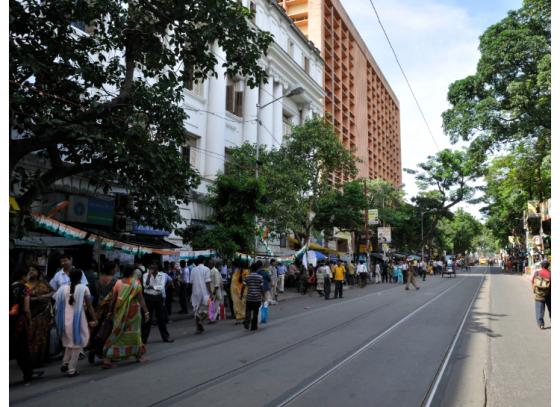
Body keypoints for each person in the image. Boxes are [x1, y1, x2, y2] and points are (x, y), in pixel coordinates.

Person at [102, 266, 149, 368]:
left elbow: (113, 300)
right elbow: (141, 300)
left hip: (119, 315)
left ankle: (107, 359)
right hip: (133, 315)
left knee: (117, 334)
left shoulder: (118, 283)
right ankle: (138, 356)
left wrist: (110, 312)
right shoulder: (136, 283)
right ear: (133, 273)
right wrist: (146, 312)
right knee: (135, 335)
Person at [53, 269, 97, 377]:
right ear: (81, 277)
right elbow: (90, 307)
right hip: (77, 320)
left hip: (64, 320)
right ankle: (71, 369)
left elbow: (56, 304)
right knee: (77, 344)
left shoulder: (62, 288)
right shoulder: (84, 288)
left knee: (69, 343)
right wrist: (95, 318)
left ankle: (65, 363)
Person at [10, 268, 44, 384]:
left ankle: (28, 371)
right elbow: (26, 308)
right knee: (23, 348)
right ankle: (28, 373)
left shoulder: (9, 287)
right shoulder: (24, 288)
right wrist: (29, 321)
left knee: (15, 347)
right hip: (19, 322)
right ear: (23, 277)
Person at [88, 261, 117, 364]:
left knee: (98, 329)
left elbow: (95, 294)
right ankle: (106, 353)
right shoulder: (114, 281)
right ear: (111, 269)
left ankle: (93, 349)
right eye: (115, 268)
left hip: (99, 308)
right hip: (110, 308)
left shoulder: (98, 280)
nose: (116, 270)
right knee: (109, 331)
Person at [25, 265, 54, 367]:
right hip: (31, 313)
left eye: (33, 270)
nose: (31, 272)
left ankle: (42, 358)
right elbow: (23, 299)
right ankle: (31, 359)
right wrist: (35, 299)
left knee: (42, 336)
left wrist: (45, 296)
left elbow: (52, 292)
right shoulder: (25, 284)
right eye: (29, 270)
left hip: (43, 313)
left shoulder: (43, 283)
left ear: (38, 272)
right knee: (31, 336)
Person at [142, 263, 173, 343]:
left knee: (161, 318)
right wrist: (149, 276)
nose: (151, 269)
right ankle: (143, 339)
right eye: (150, 267)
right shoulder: (145, 275)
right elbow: (145, 286)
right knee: (147, 318)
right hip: (148, 297)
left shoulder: (162, 275)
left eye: (153, 267)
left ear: (157, 268)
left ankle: (166, 337)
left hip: (158, 297)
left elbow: (161, 287)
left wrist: (151, 287)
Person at [190, 256, 213, 333]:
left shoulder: (193, 270)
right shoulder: (206, 269)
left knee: (196, 311)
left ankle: (199, 328)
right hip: (204, 292)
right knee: (208, 309)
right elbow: (208, 282)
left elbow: (191, 282)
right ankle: (201, 321)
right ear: (203, 261)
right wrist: (211, 292)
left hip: (195, 292)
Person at [240, 263, 264, 331]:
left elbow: (243, 286)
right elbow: (261, 287)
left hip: (249, 297)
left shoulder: (247, 277)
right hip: (257, 298)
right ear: (257, 269)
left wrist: (241, 295)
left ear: (251, 269)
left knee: (248, 311)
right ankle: (254, 326)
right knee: (255, 312)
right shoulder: (260, 277)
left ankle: (247, 323)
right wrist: (263, 295)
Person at [532, 260, 551, 329]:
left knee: (539, 309)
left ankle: (541, 324)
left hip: (539, 294)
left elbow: (533, 281)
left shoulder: (537, 273)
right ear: (548, 266)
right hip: (549, 294)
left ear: (541, 266)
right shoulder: (550, 274)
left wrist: (535, 290)